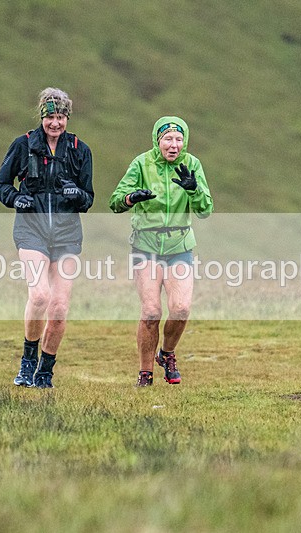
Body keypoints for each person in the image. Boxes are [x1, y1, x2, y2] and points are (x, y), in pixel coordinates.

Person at [0, 88, 94, 388]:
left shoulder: (80, 150)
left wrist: (77, 195)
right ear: (42, 116)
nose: (55, 123)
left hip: (66, 236)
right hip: (31, 230)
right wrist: (15, 199)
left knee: (60, 308)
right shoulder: (23, 145)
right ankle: (27, 361)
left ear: (67, 117)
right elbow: (1, 183)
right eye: (50, 116)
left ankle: (45, 371)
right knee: (39, 295)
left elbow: (88, 198)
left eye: (61, 116)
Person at [109, 116, 213, 387]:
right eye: (168, 139)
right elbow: (115, 201)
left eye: (179, 139)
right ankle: (145, 373)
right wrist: (133, 198)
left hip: (179, 245)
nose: (174, 145)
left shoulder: (192, 165)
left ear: (185, 141)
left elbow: (205, 211)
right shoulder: (141, 164)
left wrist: (193, 190)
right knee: (152, 311)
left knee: (180, 308)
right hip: (146, 245)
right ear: (157, 140)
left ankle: (167, 354)